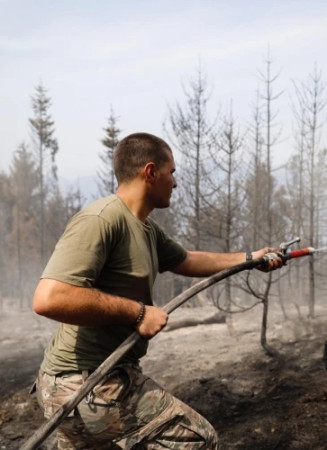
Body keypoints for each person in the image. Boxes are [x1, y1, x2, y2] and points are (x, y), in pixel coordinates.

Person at [32, 132, 283, 449]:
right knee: (198, 440)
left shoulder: (146, 228)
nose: (175, 183)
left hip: (93, 381)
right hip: (85, 386)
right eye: (172, 172)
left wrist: (249, 259)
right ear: (150, 172)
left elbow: (186, 259)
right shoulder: (100, 219)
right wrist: (136, 313)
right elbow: (49, 298)